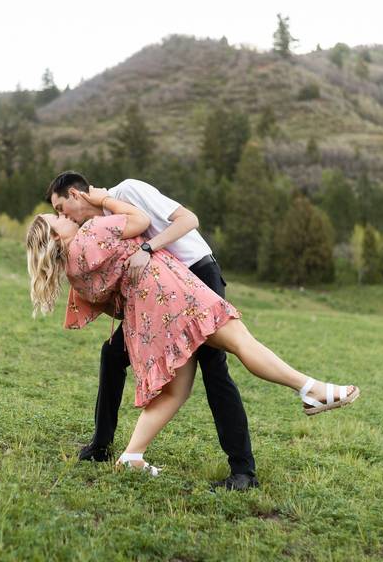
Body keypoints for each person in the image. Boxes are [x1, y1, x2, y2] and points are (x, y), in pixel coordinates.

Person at [26, 188, 360, 478]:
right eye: (56, 218)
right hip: (173, 292)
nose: (65, 217)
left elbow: (105, 302)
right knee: (241, 340)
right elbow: (140, 220)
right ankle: (310, 388)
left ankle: (132, 455)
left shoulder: (73, 273)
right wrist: (106, 199)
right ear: (55, 236)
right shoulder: (92, 233)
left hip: (148, 313)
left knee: (176, 392)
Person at [45, 171, 258, 490]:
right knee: (113, 354)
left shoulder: (127, 192)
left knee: (214, 369)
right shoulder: (97, 226)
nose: (62, 217)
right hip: (158, 298)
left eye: (61, 209)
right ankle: (101, 446)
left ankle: (243, 471)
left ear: (76, 196)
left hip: (197, 274)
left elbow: (189, 220)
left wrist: (147, 250)